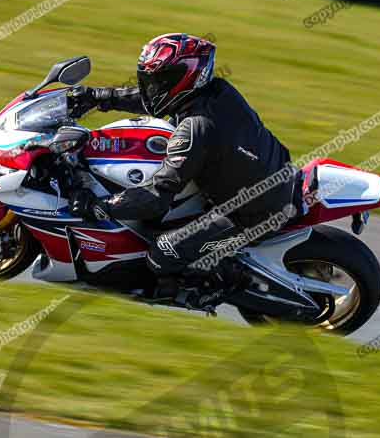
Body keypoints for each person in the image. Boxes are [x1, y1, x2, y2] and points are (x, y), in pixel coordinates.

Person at [66, 33, 301, 308]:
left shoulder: (195, 128)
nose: (152, 87)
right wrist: (100, 97)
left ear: (185, 77)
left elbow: (155, 199)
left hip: (253, 213)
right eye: (151, 80)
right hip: (270, 172)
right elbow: (153, 100)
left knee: (163, 252)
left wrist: (99, 206)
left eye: (160, 80)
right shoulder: (215, 90)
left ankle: (228, 282)